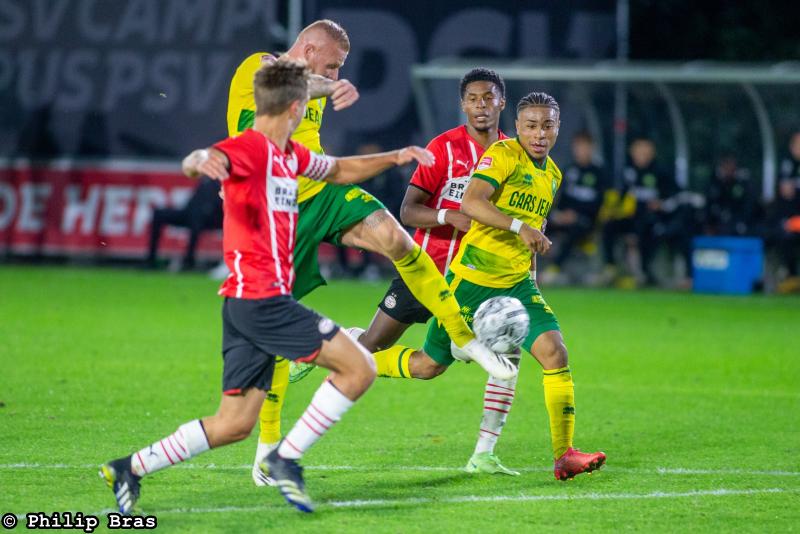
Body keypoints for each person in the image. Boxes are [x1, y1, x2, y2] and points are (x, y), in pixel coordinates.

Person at [99, 60, 439, 514]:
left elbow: (337, 170)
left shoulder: (288, 156)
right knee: (359, 369)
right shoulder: (250, 149)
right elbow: (200, 159)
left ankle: (131, 467)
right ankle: (286, 457)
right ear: (298, 108)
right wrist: (201, 159)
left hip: (244, 305)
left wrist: (394, 157)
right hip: (263, 301)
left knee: (234, 424)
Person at [227, 21, 515, 486]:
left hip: (318, 193)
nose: (337, 71)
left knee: (396, 237)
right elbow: (285, 79)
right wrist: (330, 83)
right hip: (273, 213)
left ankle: (467, 339)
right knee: (275, 338)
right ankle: (266, 451)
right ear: (309, 47)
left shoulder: (313, 91)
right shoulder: (258, 67)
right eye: (333, 62)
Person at [355, 92, 606, 481]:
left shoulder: (552, 174)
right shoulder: (503, 154)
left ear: (558, 128)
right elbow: (472, 203)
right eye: (531, 125)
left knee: (555, 353)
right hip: (470, 281)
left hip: (518, 285)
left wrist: (533, 279)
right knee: (428, 366)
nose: (539, 133)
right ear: (518, 127)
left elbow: (533, 230)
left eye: (547, 125)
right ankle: (356, 356)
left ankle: (564, 455)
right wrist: (518, 227)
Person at [352, 68, 518, 474]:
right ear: (463, 104)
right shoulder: (443, 149)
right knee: (373, 350)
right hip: (426, 270)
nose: (481, 105)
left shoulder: (513, 155)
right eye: (473, 98)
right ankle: (338, 343)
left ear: (501, 102)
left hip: (478, 280)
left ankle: (484, 453)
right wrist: (448, 215)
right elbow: (408, 211)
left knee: (505, 349)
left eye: (488, 97)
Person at [601, 137, 676, 286]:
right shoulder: (628, 172)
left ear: (652, 153)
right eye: (638, 151)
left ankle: (643, 273)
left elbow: (673, 197)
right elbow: (621, 194)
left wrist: (660, 204)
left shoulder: (661, 172)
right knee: (609, 225)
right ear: (632, 153)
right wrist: (614, 210)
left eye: (645, 151)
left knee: (645, 230)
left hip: (653, 219)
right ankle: (611, 267)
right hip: (632, 217)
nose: (641, 155)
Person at [543, 131, 606, 281]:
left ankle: (555, 269)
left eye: (585, 147)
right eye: (578, 147)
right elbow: (560, 197)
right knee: (538, 225)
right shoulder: (569, 169)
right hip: (565, 217)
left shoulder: (599, 173)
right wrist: (558, 214)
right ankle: (524, 268)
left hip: (587, 220)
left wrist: (575, 215)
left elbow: (599, 203)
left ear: (592, 148)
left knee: (575, 230)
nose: (581, 151)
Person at [145, 177, 223, 271]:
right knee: (158, 214)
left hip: (211, 219)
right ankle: (151, 260)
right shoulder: (206, 179)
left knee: (197, 219)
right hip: (190, 213)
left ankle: (189, 262)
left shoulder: (225, 180)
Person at [704, 154, 757, 237]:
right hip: (719, 220)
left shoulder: (742, 183)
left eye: (731, 166)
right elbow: (710, 205)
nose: (728, 169)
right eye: (725, 166)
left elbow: (748, 204)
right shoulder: (715, 183)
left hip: (738, 220)